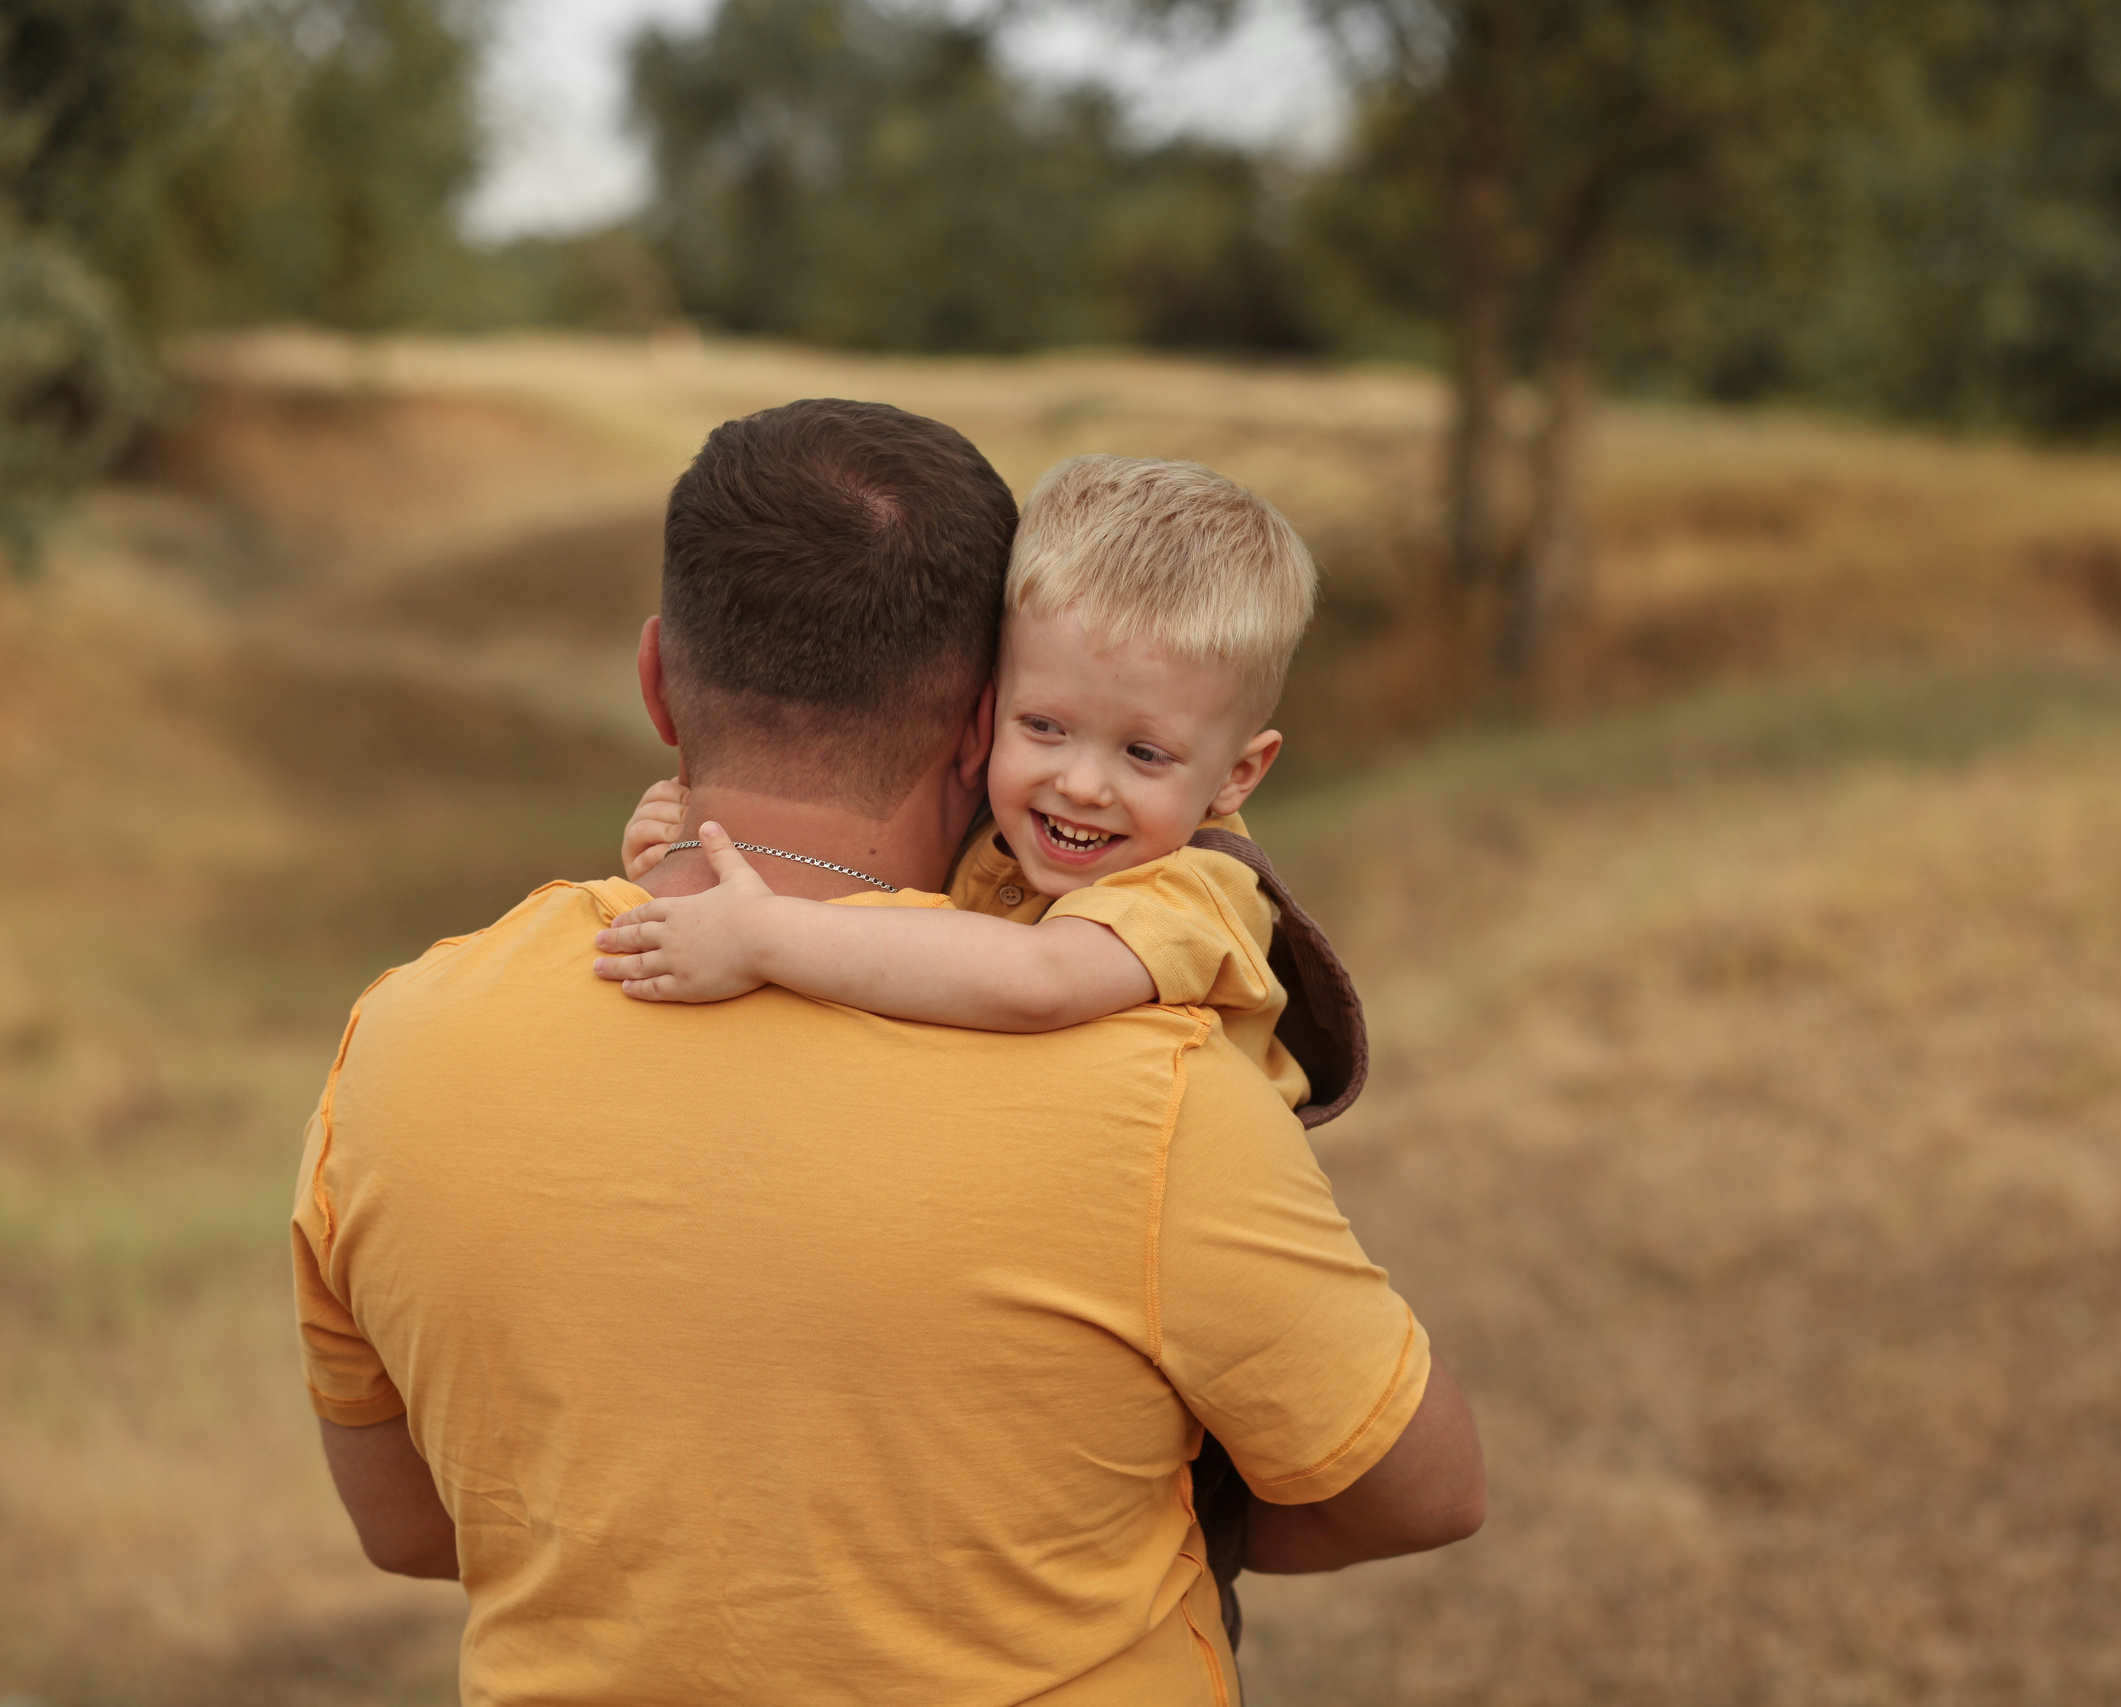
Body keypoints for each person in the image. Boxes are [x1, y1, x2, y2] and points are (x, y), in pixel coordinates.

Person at [292, 400, 1486, 1707]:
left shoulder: (396, 1045)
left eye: (1137, 750)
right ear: (983, 723)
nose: (1085, 783)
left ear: (655, 684)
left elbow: (411, 1528)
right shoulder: (1147, 1082)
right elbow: (1421, 1489)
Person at [591, 453, 1353, 1124]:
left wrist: (759, 935)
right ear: (989, 702)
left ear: (1237, 775)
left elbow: (1038, 981)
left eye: (1145, 753)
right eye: (1045, 726)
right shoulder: (1003, 827)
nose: (1081, 784)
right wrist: (690, 850)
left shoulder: (1196, 893)